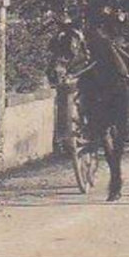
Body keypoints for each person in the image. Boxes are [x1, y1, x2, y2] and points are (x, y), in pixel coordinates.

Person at [46, 10, 86, 154]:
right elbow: (55, 54)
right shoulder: (60, 37)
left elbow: (76, 55)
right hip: (66, 74)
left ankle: (70, 137)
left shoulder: (76, 37)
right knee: (62, 102)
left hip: (77, 72)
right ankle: (62, 139)